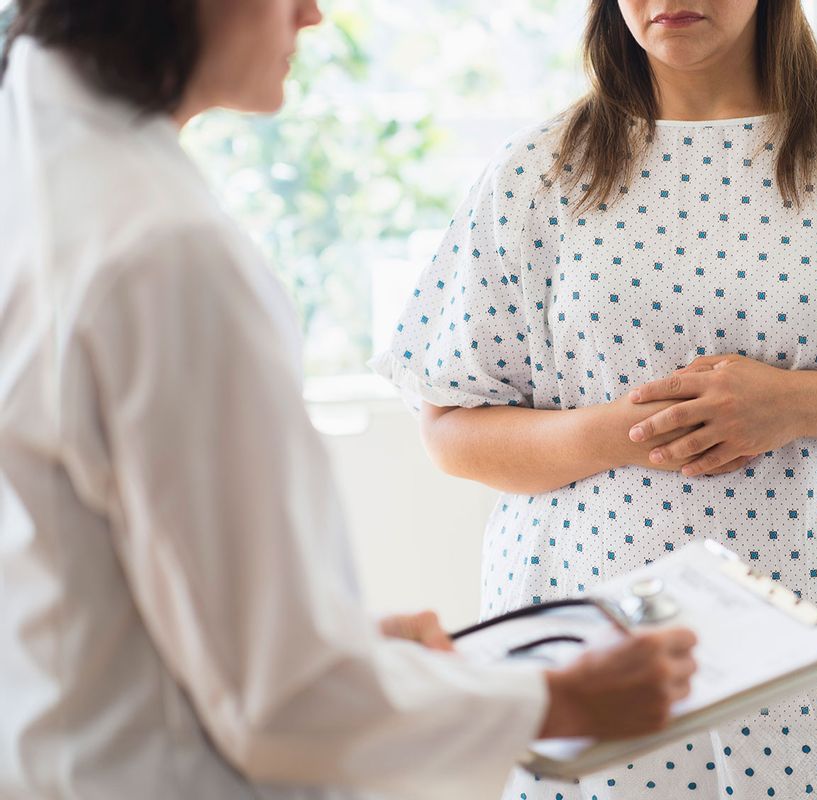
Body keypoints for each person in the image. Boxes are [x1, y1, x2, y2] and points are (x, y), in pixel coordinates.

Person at [0, 1, 700, 798]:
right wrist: (560, 700)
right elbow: (288, 705)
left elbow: (95, 574)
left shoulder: (42, 178)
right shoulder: (164, 254)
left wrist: (340, 646)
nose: (313, 15)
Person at [370, 0, 817, 797]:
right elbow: (451, 429)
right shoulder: (536, 171)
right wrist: (621, 433)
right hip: (603, 657)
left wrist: (799, 404)